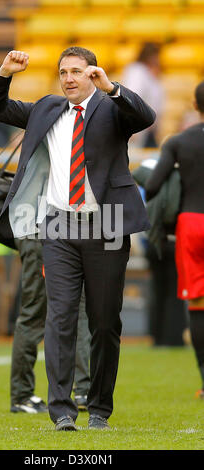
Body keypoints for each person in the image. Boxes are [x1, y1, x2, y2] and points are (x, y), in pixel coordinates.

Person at [0, 46, 155, 430]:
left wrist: (112, 88)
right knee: (59, 317)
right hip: (58, 227)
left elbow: (146, 116)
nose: (69, 78)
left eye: (77, 71)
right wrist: (4, 73)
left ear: (92, 74)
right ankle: (61, 410)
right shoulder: (47, 108)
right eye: (64, 72)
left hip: (107, 225)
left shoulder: (112, 107)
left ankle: (98, 408)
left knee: (105, 321)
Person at [145, 80, 204, 399]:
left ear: (195, 106)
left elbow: (152, 186)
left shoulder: (179, 142)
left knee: (197, 302)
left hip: (191, 222)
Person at [11, 237, 91, 414]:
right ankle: (22, 395)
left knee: (75, 310)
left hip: (50, 236)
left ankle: (83, 390)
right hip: (43, 237)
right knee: (35, 314)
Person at [122, 42, 164, 148]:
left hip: (148, 126)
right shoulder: (137, 72)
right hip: (138, 126)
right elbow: (131, 97)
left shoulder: (148, 73)